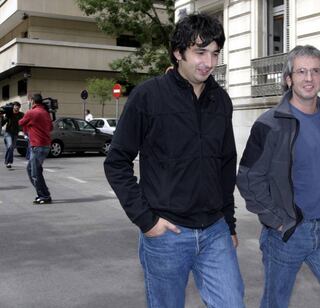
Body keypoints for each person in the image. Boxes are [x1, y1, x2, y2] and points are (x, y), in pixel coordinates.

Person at [104, 13, 245, 308]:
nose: (208, 62)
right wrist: (147, 221)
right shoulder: (148, 97)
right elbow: (116, 161)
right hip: (167, 233)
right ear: (178, 52)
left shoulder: (222, 101)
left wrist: (229, 224)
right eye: (200, 52)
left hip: (215, 231)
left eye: (215, 53)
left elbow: (225, 165)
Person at [237, 45, 320, 308]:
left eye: (315, 71)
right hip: (287, 234)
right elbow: (248, 177)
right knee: (274, 304)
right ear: (288, 79)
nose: (309, 78)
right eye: (301, 71)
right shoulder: (269, 124)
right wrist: (276, 221)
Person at [19, 94, 53, 204]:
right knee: (32, 169)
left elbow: (20, 122)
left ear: (33, 101)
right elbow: (51, 127)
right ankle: (43, 193)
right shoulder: (45, 112)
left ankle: (44, 195)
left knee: (34, 172)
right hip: (45, 145)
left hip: (38, 146)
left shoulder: (32, 112)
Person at [1, 101, 24, 168]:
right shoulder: (9, 114)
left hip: (16, 134)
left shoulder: (21, 114)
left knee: (11, 148)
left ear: (19, 107)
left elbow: (24, 122)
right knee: (10, 146)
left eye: (18, 106)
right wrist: (2, 116)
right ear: (13, 107)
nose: (16, 107)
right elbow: (2, 124)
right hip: (8, 133)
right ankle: (8, 162)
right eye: (15, 106)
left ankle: (8, 161)